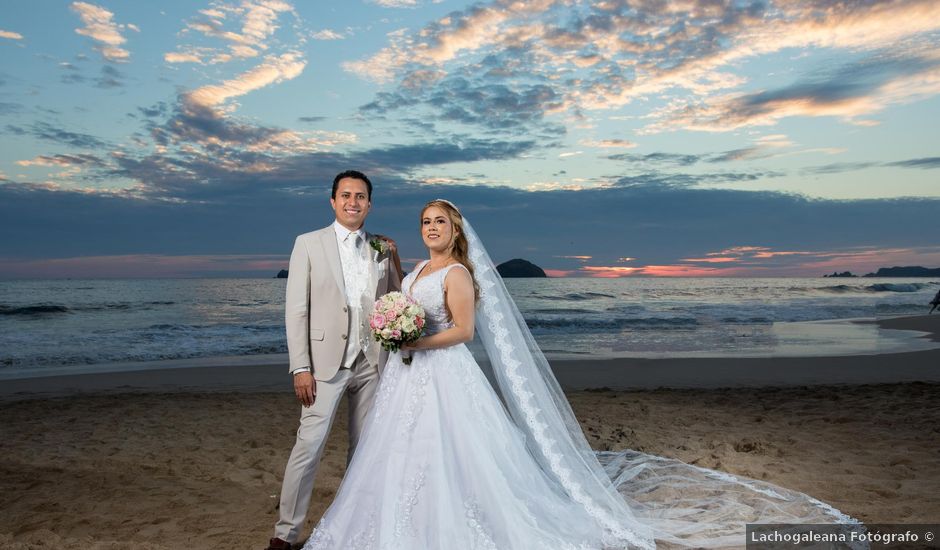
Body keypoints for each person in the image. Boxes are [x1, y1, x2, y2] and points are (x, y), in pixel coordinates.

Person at [299, 200, 857, 549]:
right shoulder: (418, 267)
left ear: (456, 229)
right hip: (407, 374)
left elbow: (465, 332)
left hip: (443, 369)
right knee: (396, 449)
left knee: (460, 451)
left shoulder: (461, 274)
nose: (431, 229)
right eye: (425, 222)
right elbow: (398, 297)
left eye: (439, 222)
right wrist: (394, 318)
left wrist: (415, 336)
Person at [266, 170, 402, 550]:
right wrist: (301, 366)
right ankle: (286, 533)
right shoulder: (308, 244)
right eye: (345, 195)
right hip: (324, 366)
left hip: (372, 364)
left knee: (363, 452)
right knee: (308, 447)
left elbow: (393, 301)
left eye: (360, 196)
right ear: (333, 201)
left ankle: (352, 526)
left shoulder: (381, 247)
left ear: (370, 204)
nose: (352, 202)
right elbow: (297, 310)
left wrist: (395, 260)